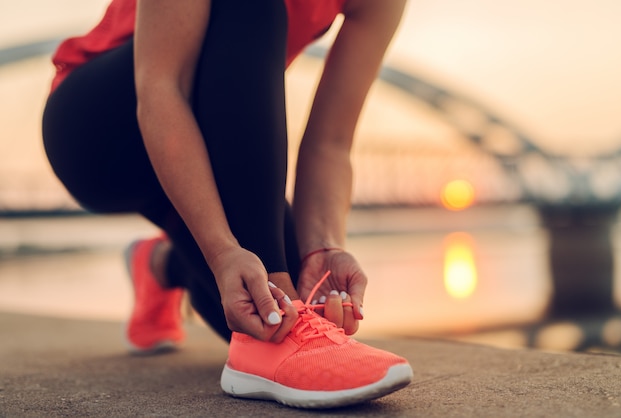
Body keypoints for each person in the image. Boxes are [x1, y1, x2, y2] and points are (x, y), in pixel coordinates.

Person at [42, 0, 411, 409]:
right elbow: (161, 87)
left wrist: (323, 247)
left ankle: (162, 266)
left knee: (270, 304)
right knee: (276, 307)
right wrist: (221, 250)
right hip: (99, 133)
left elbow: (331, 143)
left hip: (208, 146)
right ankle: (275, 316)